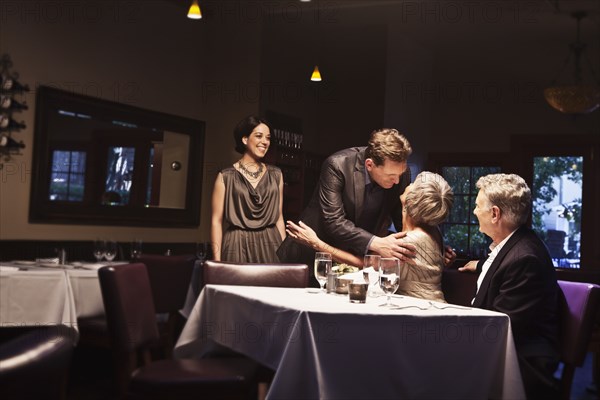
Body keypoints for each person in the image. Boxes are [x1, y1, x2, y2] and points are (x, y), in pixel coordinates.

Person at [458, 173, 559, 399]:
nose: (474, 211)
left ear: (495, 214)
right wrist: (479, 264)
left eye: (477, 206)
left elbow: (500, 326)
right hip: (504, 345)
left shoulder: (525, 259)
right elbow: (500, 268)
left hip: (522, 361)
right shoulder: (515, 244)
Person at [286, 172, 454, 302]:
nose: (408, 184)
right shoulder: (433, 231)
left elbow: (364, 264)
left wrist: (317, 244)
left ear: (411, 201)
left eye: (413, 186)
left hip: (421, 310)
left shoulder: (411, 241)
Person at [277, 128, 416, 278]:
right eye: (391, 176)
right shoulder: (337, 165)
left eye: (399, 175)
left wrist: (428, 245)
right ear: (369, 165)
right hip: (310, 253)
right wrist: (376, 243)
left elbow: (402, 218)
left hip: (351, 259)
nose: (397, 181)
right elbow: (334, 221)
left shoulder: (401, 173)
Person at [210, 115, 285, 263]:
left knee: (271, 285)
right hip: (236, 244)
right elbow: (216, 222)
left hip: (271, 243)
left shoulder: (277, 175)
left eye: (268, 138)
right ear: (245, 140)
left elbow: (279, 218)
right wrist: (217, 262)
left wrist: (284, 255)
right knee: (234, 286)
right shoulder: (225, 176)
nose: (265, 142)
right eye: (259, 136)